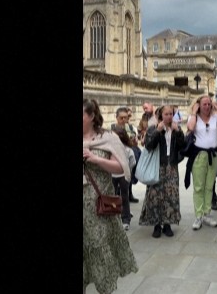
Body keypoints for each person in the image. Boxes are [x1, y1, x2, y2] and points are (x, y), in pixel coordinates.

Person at [82, 99, 138, 294]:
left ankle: (105, 288)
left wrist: (94, 158)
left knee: (99, 249)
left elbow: (121, 167)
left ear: (91, 116)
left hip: (98, 206)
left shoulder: (107, 137)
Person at [185, 95, 217, 230]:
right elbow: (190, 127)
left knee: (209, 186)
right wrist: (194, 112)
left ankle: (207, 213)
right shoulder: (194, 117)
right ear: (198, 105)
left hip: (214, 155)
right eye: (204, 104)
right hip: (199, 155)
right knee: (199, 186)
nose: (207, 107)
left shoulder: (215, 117)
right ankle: (199, 215)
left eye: (209, 104)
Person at [140, 105, 185, 238]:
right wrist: (157, 131)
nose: (169, 117)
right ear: (161, 115)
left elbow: (182, 146)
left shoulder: (176, 128)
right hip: (157, 166)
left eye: (171, 114)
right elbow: (148, 145)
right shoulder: (153, 128)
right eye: (166, 114)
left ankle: (167, 224)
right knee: (155, 195)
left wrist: (178, 132)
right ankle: (156, 224)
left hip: (171, 166)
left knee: (171, 195)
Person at [111, 107, 141, 203]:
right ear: (116, 117)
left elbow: (135, 143)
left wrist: (134, 142)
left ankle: (129, 194)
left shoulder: (130, 128)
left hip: (128, 157)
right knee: (115, 181)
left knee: (128, 178)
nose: (124, 120)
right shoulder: (112, 128)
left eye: (126, 117)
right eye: (121, 118)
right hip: (116, 158)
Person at [110, 127, 137, 231]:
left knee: (124, 197)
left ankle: (125, 219)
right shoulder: (110, 149)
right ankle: (115, 217)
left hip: (123, 176)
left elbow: (132, 162)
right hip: (113, 175)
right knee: (113, 197)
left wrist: (127, 171)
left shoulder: (128, 149)